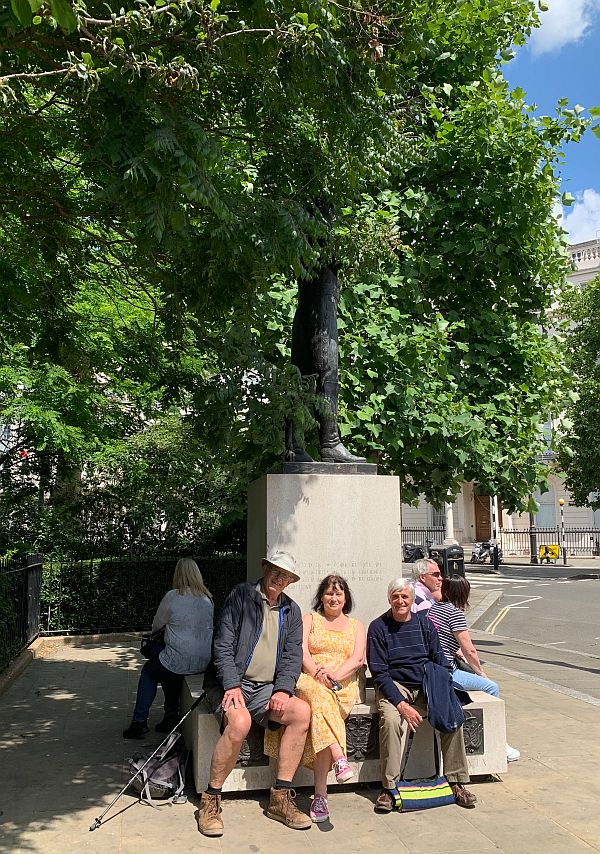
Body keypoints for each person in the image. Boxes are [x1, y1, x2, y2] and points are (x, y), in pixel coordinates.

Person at [197, 550, 312, 837]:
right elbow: (222, 643)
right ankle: (210, 800)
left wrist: (284, 689)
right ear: (264, 569)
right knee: (240, 722)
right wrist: (232, 684)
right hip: (231, 682)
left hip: (266, 688)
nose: (278, 577)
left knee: (301, 713)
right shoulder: (242, 596)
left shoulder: (292, 611)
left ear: (290, 581)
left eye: (285, 575)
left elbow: (292, 656)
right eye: (275, 570)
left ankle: (280, 797)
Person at [367, 579, 477, 812]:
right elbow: (379, 673)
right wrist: (402, 705)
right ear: (389, 599)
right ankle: (389, 787)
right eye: (395, 597)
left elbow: (440, 660)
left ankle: (457, 781)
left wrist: (440, 688)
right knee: (391, 720)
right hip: (395, 685)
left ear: (411, 599)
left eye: (405, 597)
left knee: (451, 715)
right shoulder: (378, 627)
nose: (400, 601)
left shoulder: (425, 625)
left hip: (424, 682)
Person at [287, 575, 366, 823]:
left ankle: (321, 794)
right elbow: (300, 651)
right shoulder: (310, 619)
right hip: (311, 680)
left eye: (338, 593)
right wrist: (318, 673)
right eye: (329, 593)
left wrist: (334, 676)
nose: (333, 598)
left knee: (322, 713)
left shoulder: (356, 625)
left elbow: (357, 659)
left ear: (346, 598)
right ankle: (337, 760)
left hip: (342, 685)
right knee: (319, 698)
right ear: (321, 596)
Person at [428, 575, 520, 762]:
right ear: (463, 593)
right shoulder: (455, 613)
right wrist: (481, 673)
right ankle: (498, 742)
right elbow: (469, 650)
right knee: (491, 687)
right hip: (447, 672)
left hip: (433, 668)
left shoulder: (433, 609)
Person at [123, 558, 214, 738]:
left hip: (179, 659)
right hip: (204, 660)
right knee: (167, 666)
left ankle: (139, 722)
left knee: (150, 671)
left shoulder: (173, 596)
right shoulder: (208, 599)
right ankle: (170, 716)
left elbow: (156, 626)